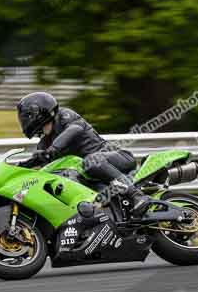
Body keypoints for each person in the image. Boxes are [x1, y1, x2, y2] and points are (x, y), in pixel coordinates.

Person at [15, 91, 151, 217]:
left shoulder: (64, 116)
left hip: (116, 158)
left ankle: (136, 195)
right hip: (94, 177)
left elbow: (74, 130)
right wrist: (19, 168)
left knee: (90, 162)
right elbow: (39, 161)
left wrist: (53, 149)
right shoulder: (45, 142)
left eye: (27, 116)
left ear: (38, 111)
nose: (25, 120)